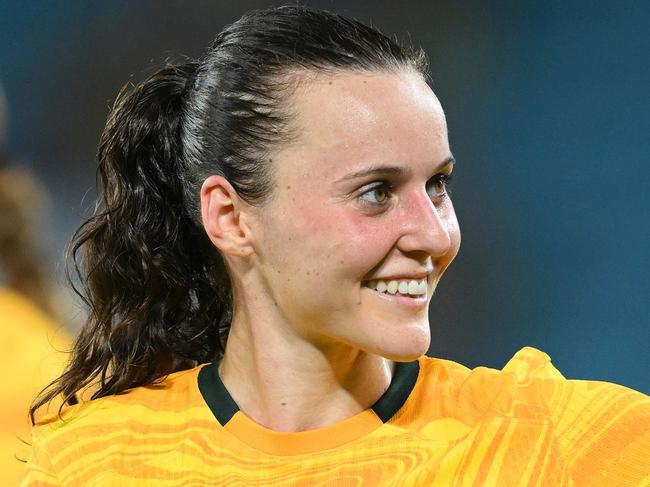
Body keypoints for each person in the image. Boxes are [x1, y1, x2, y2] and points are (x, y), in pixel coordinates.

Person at [22, 5, 649, 486]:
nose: (435, 233)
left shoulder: (555, 448)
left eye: (437, 185)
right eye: (376, 191)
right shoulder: (91, 463)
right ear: (232, 218)